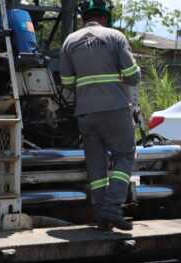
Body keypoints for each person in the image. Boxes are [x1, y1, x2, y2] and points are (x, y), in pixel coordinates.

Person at [60, 0, 140, 231]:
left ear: (84, 16)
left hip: (85, 113)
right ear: (105, 17)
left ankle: (101, 214)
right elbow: (132, 76)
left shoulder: (69, 41)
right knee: (124, 155)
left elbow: (66, 83)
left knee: (96, 165)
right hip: (114, 109)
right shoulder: (115, 37)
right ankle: (112, 209)